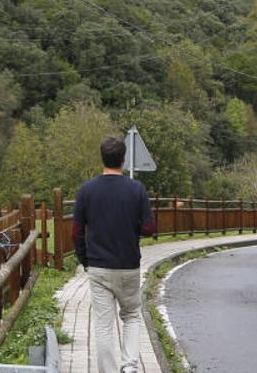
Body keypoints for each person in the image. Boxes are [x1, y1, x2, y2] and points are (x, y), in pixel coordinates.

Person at [73, 135, 156, 373]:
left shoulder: (87, 190)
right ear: (123, 159)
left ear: (102, 158)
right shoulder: (136, 189)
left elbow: (77, 231)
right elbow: (149, 229)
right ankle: (130, 367)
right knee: (131, 315)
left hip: (99, 266)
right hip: (129, 265)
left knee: (103, 324)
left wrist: (84, 260)